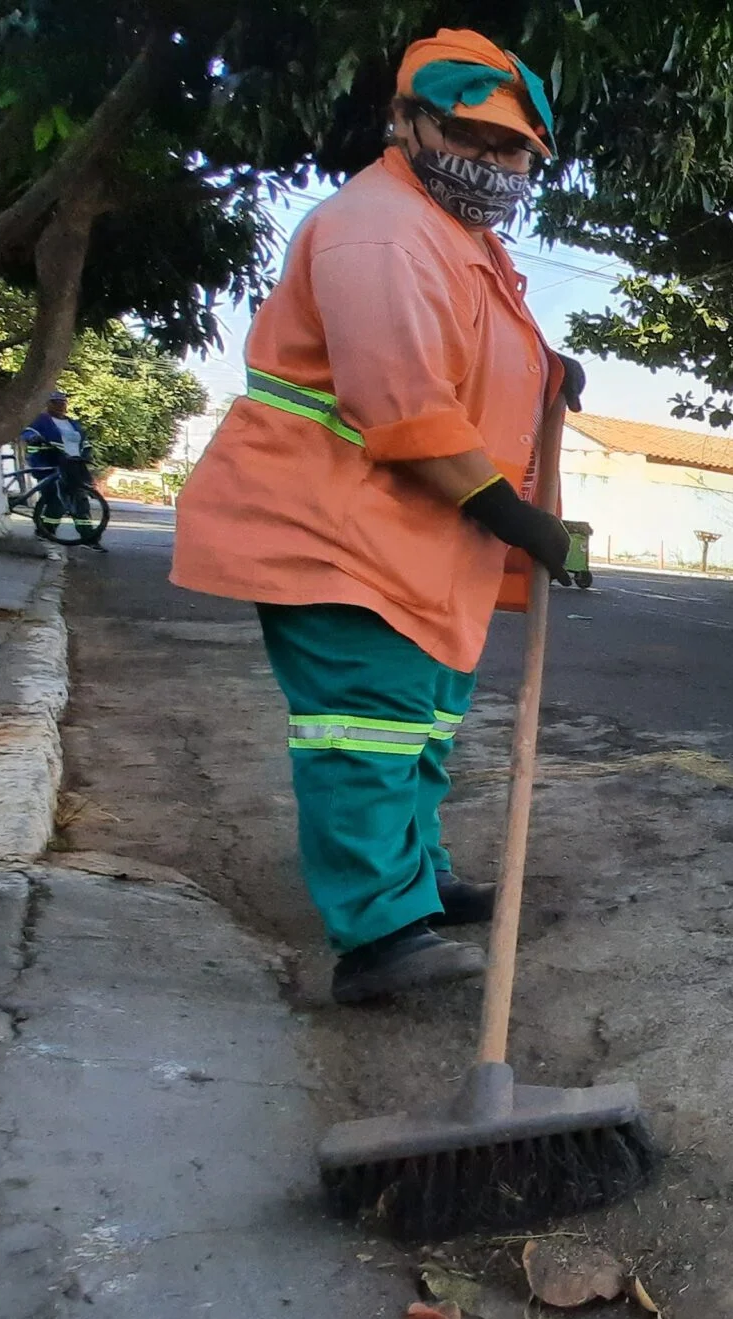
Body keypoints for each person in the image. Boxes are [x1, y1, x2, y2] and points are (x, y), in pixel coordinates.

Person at [170, 29, 583, 1004]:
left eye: (510, 149)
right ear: (408, 123)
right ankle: (379, 936)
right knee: (367, 731)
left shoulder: (461, 241)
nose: (488, 162)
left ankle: (412, 882)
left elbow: (473, 358)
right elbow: (399, 393)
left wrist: (545, 371)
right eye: (467, 136)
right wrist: (511, 515)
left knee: (421, 727)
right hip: (337, 533)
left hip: (415, 541)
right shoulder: (383, 229)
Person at [22, 392, 102, 547]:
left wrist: (86, 454)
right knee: (56, 499)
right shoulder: (41, 421)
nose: (59, 406)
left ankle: (88, 537)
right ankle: (46, 530)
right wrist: (33, 439)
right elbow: (27, 432)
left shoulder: (73, 424)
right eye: (55, 402)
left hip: (74, 465)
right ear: (48, 404)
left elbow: (84, 442)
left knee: (80, 501)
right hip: (50, 464)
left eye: (62, 403)